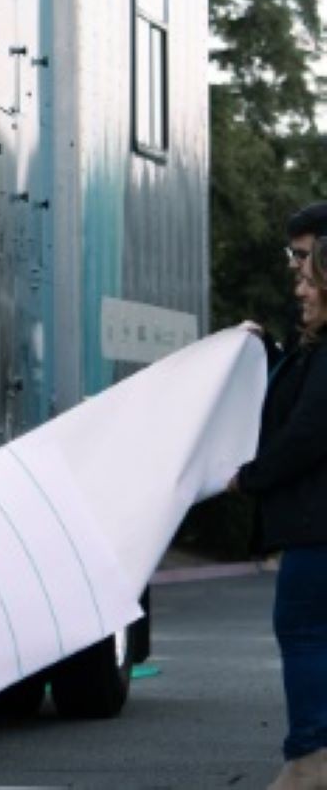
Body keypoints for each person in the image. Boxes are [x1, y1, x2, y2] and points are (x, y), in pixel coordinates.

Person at [232, 235, 327, 790]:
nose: (299, 289)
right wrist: (263, 352)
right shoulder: (315, 354)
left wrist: (252, 478)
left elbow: (308, 432)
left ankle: (310, 759)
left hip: (318, 531)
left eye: (309, 280)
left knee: (304, 631)